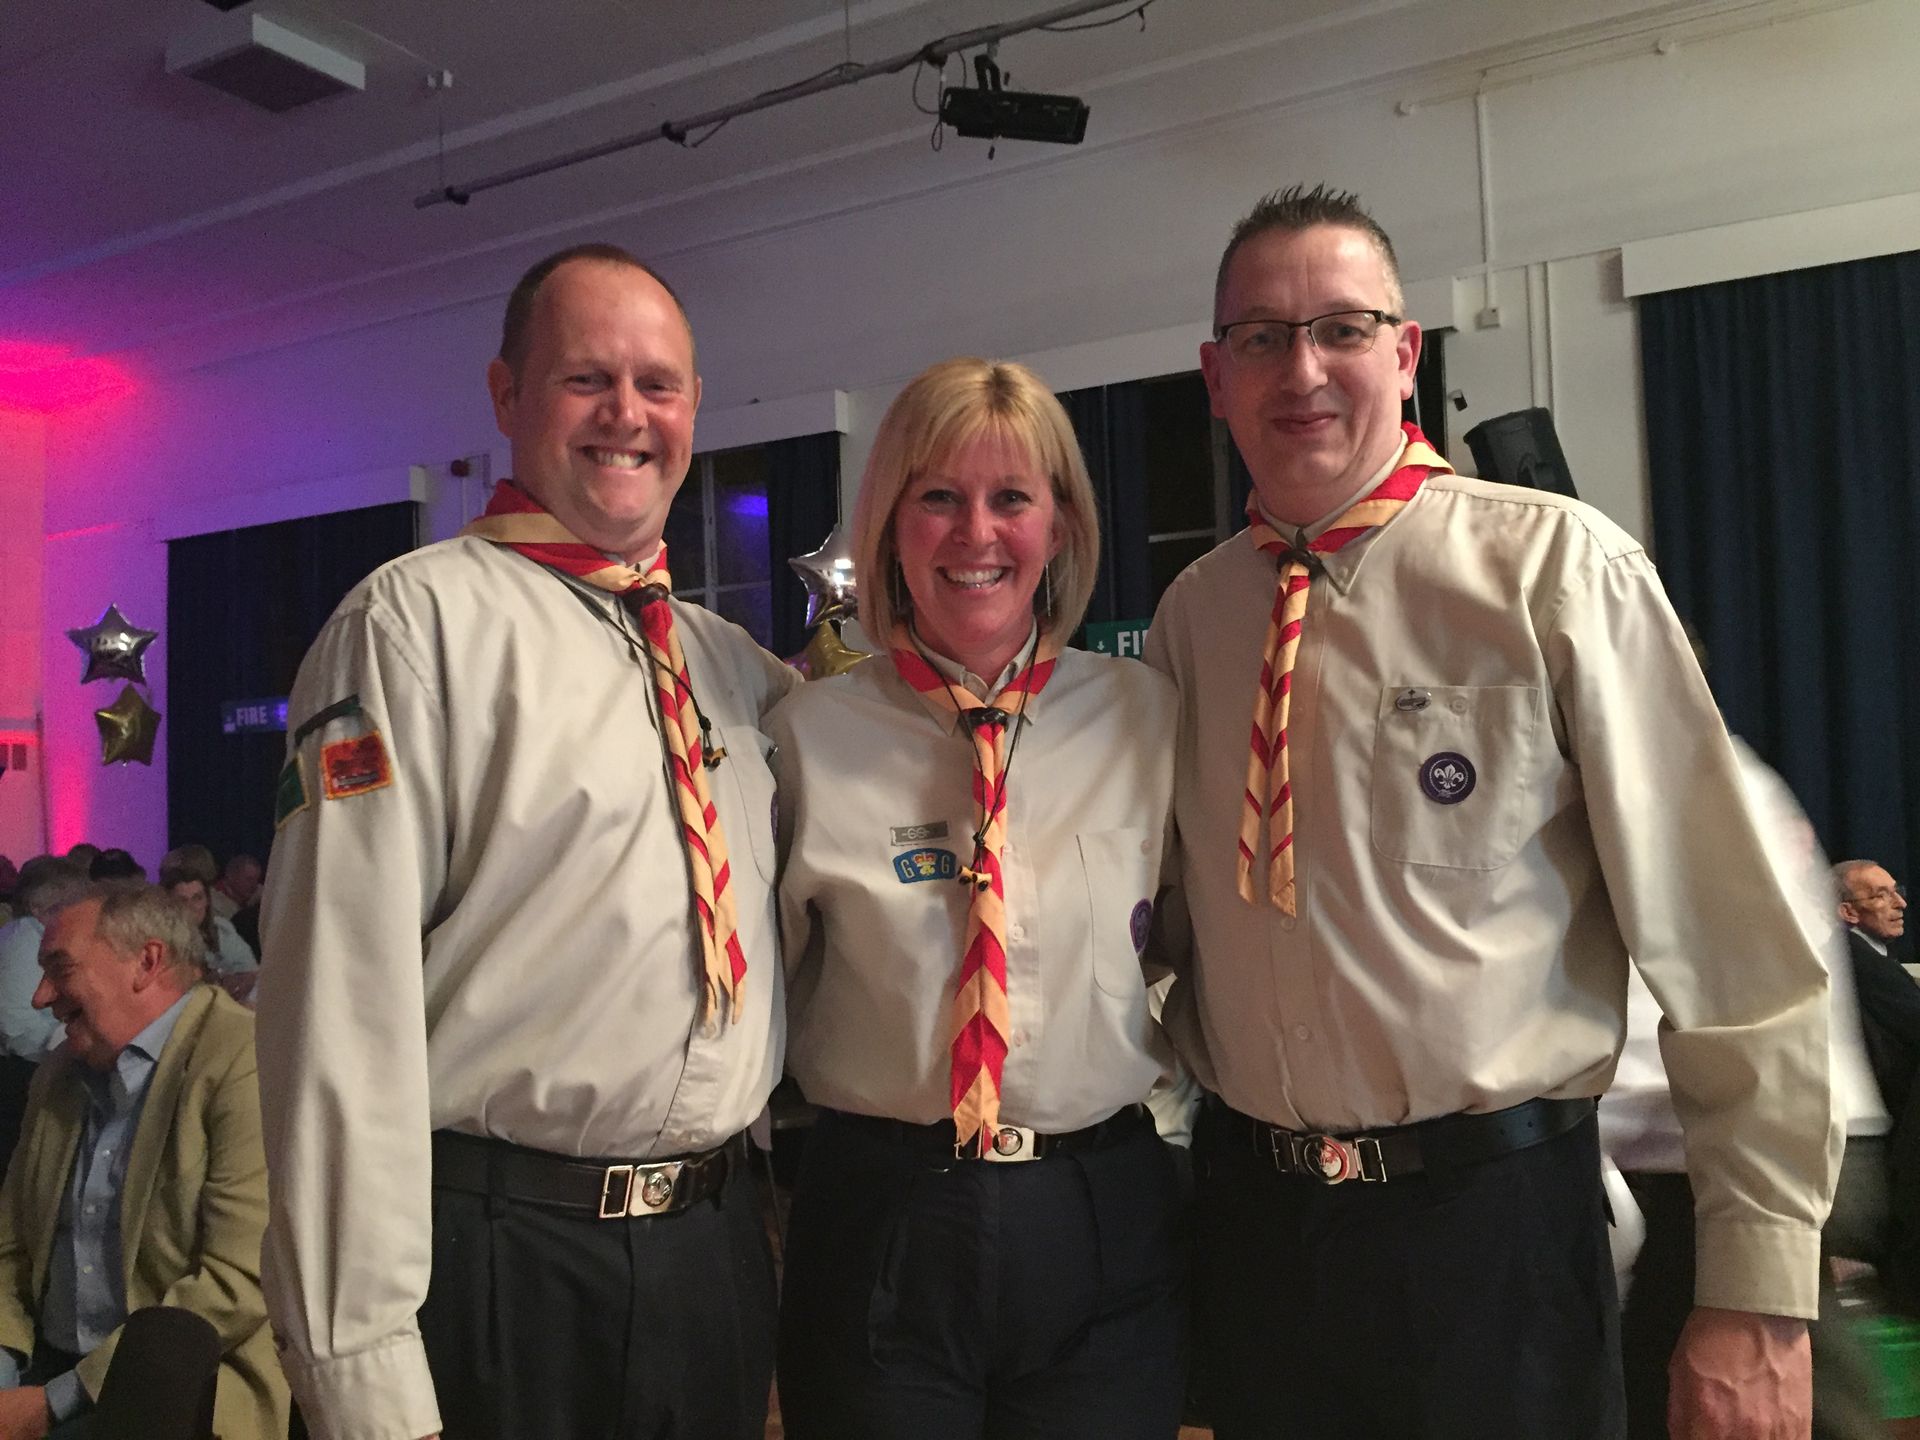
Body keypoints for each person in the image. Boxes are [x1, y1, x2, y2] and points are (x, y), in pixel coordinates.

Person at [1144, 183, 1839, 1439]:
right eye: (1261, 337)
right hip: (1257, 1234)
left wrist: (1759, 1290)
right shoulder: (1194, 620)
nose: (1302, 368)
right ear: (1215, 375)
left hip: (1492, 1236)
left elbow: (1736, 960)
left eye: (1343, 328)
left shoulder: (1558, 569)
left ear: (1404, 354)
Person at [259, 242, 797, 1440]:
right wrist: (360, 1372)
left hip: (711, 1255)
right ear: (507, 397)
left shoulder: (732, 669)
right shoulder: (409, 627)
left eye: (658, 384)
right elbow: (336, 1016)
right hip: (500, 1262)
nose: (627, 416)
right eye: (584, 380)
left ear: (695, 408)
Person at [769, 357, 1187, 1440]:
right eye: (938, 497)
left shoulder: (1146, 718)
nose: (975, 534)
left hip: (1098, 1214)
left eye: (1012, 499)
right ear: (891, 524)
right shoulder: (804, 736)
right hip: (883, 1216)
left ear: (1060, 525)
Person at [0, 882, 285, 1439]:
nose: (40, 996)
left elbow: (238, 1282)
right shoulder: (58, 1075)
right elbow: (9, 1247)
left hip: (182, 1395)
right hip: (44, 1373)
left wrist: (49, 1405)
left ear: (147, 962)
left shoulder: (242, 1059)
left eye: (59, 968)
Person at [1834, 860, 1920, 1121]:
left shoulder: (1853, 954)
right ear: (1848, 912)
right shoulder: (1865, 965)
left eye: (1897, 891)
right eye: (1882, 895)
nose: (1900, 903)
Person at [156, 847, 257, 984]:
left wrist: (235, 981)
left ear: (207, 901)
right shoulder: (156, 940)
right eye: (182, 901)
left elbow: (249, 970)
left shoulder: (222, 929)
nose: (191, 907)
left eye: (197, 898)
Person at [208, 855, 262, 924]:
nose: (254, 885)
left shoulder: (257, 893)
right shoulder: (213, 904)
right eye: (249, 879)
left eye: (257, 879)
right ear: (231, 876)